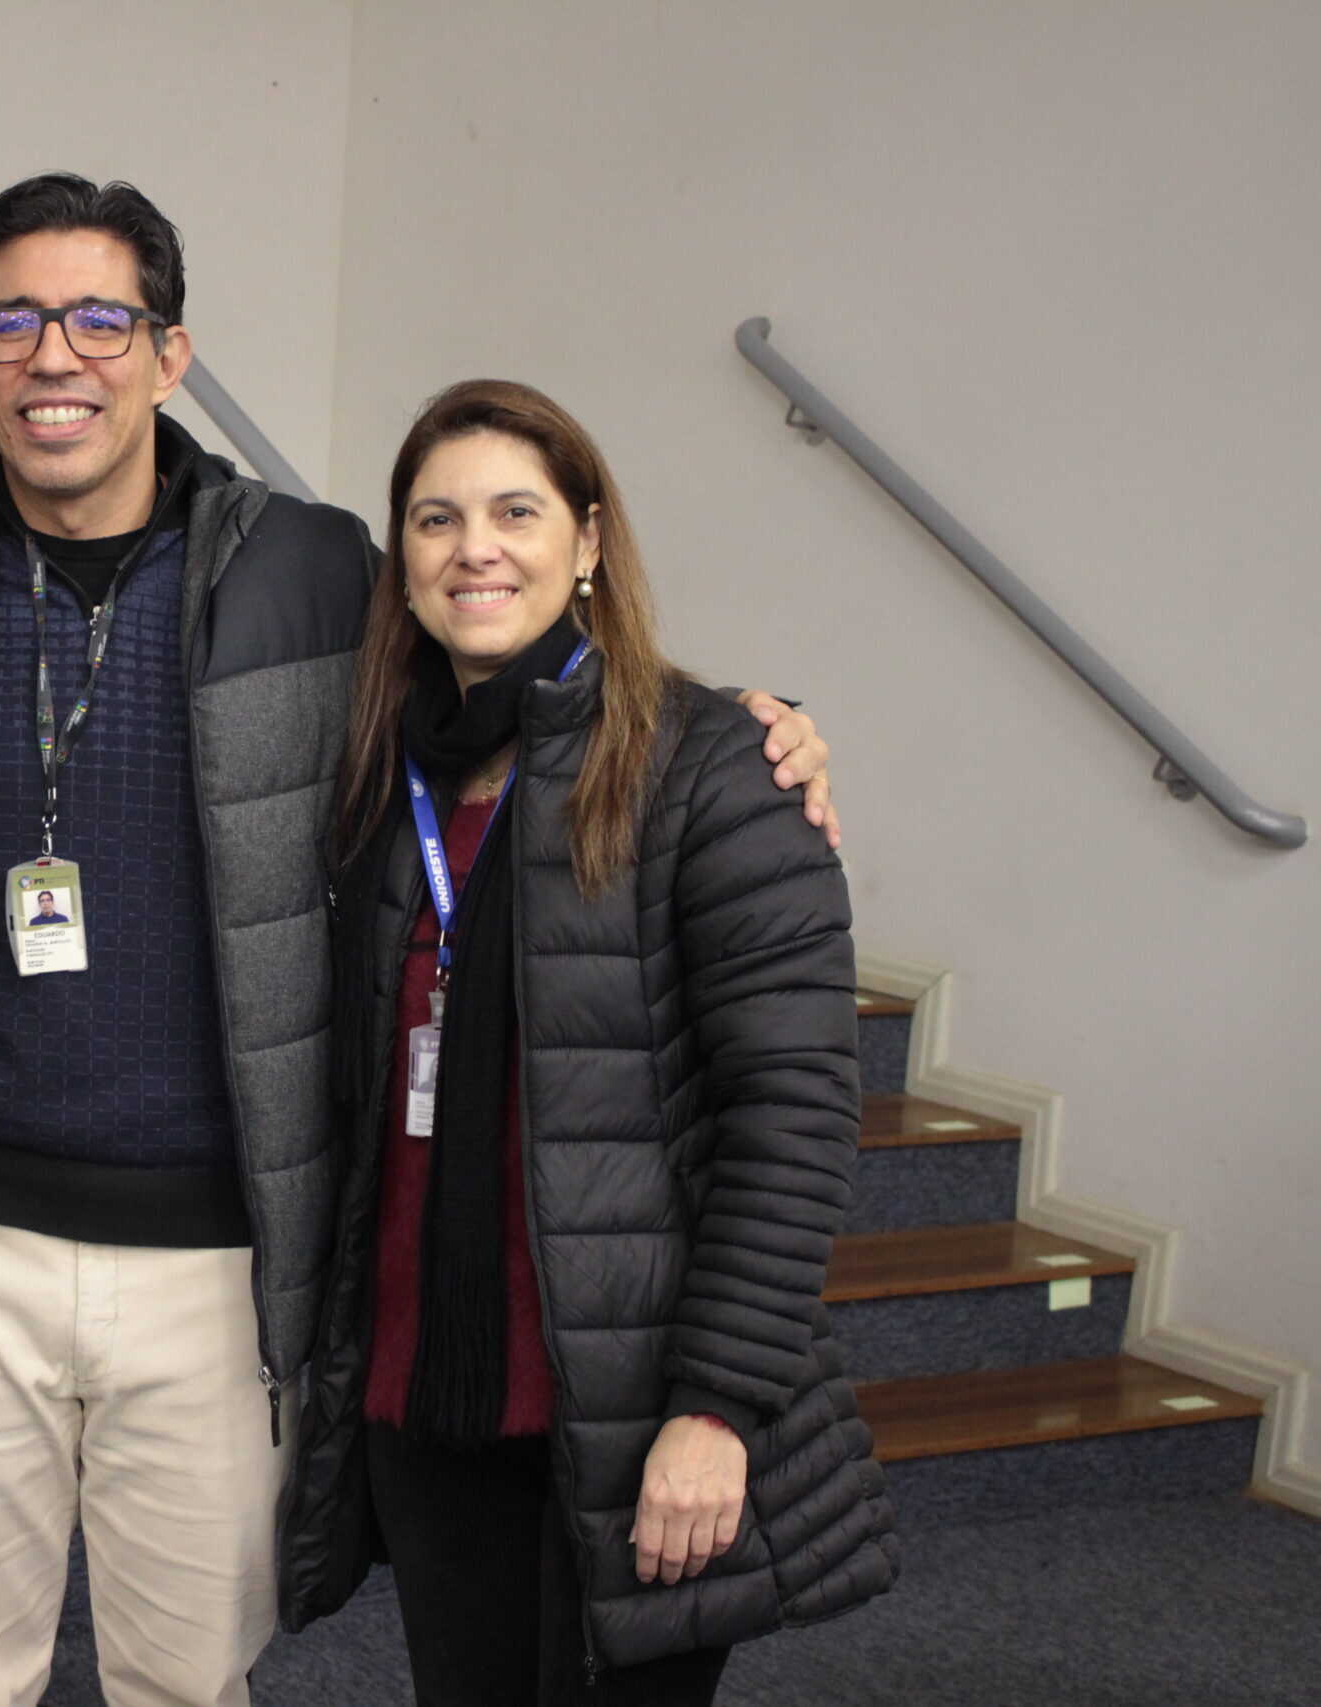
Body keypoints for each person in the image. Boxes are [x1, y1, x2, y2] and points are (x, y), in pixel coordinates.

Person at [0, 174, 838, 1707]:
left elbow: (511, 664)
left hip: (226, 1253)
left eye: (100, 318)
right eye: (14, 320)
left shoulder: (314, 574)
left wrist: (741, 725)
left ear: (171, 353)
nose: (55, 354)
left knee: (191, 1682)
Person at [275, 379, 897, 1704]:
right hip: (427, 1389)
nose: (475, 549)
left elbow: (791, 1124)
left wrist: (716, 1410)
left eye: (517, 512)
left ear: (590, 542)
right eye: (436, 519)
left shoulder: (711, 770)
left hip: (627, 1405)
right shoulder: (381, 777)